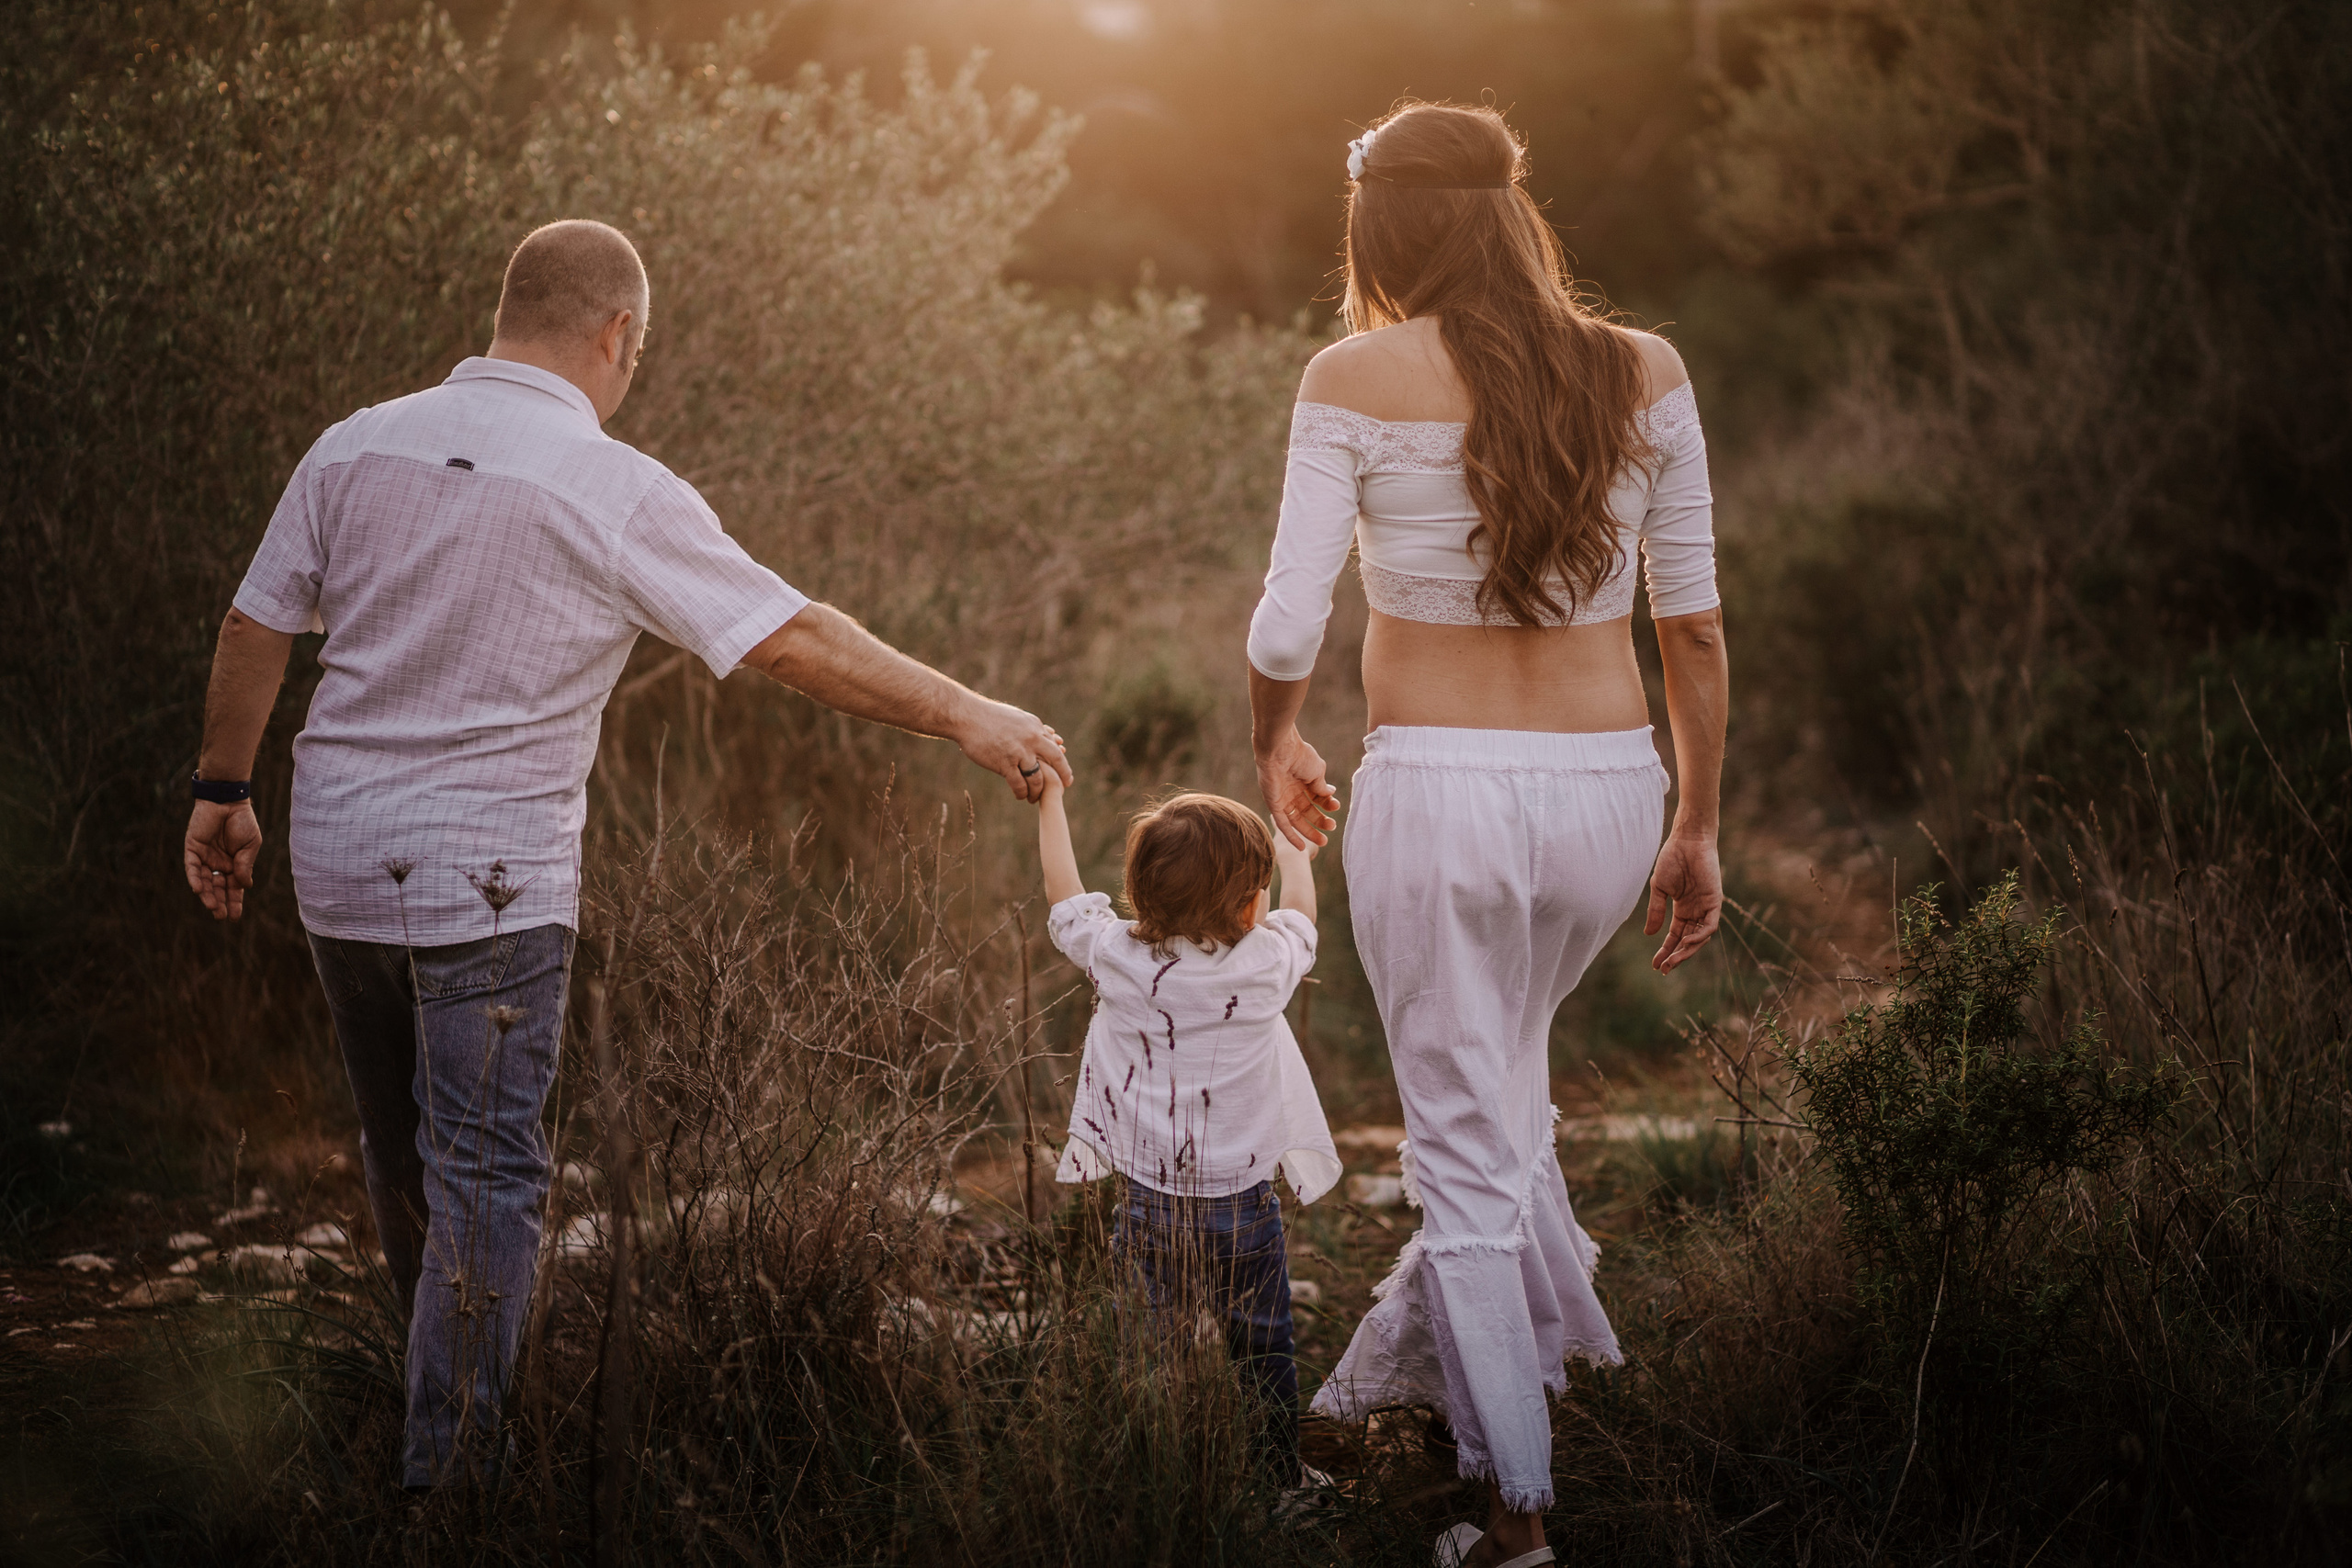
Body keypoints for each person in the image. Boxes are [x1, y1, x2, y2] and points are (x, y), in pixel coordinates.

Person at [180, 220, 1073, 1490]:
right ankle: (455, 1485)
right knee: (485, 1176)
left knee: (405, 1158)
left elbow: (255, 621)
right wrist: (967, 712)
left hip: (337, 859)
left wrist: (222, 787)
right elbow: (792, 638)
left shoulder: (352, 443)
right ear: (618, 335)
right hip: (488, 884)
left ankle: (432, 1404)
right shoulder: (613, 485)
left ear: (507, 312)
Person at [1245, 105, 1728, 1567]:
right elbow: (1692, 622)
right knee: (1502, 1083)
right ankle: (1542, 1355)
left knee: (1457, 1146)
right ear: (1513, 212)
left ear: (1380, 228)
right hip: (1608, 792)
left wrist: (1273, 735)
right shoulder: (1647, 367)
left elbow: (1286, 614)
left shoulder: (1350, 374)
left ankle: (1515, 1517)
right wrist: (1697, 820)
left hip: (1443, 792)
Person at [1035, 775, 1340, 1486]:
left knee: (1149, 1348)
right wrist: (1294, 848)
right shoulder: (1264, 966)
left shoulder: (1117, 956)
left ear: (1140, 892)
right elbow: (1304, 915)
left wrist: (1050, 801)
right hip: (1244, 1208)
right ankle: (1277, 1481)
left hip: (1149, 1203)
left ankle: (1152, 1474)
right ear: (1247, 903)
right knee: (1264, 1346)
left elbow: (1064, 895)